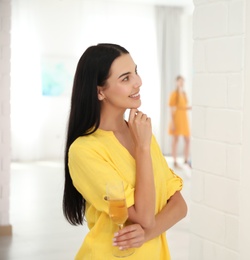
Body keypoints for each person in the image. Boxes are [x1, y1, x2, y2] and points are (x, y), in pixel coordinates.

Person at [62, 43, 187, 259]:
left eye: (135, 72)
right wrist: (142, 149)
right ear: (100, 91)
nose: (138, 82)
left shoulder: (142, 134)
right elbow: (144, 217)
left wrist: (146, 235)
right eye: (125, 78)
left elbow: (179, 206)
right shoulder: (84, 151)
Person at [169, 75, 191, 168]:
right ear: (176, 82)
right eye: (180, 81)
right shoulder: (174, 94)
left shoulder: (184, 94)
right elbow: (171, 108)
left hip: (184, 118)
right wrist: (173, 123)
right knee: (175, 139)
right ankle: (174, 160)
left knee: (187, 139)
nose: (181, 83)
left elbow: (184, 106)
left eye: (183, 81)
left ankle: (185, 159)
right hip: (177, 118)